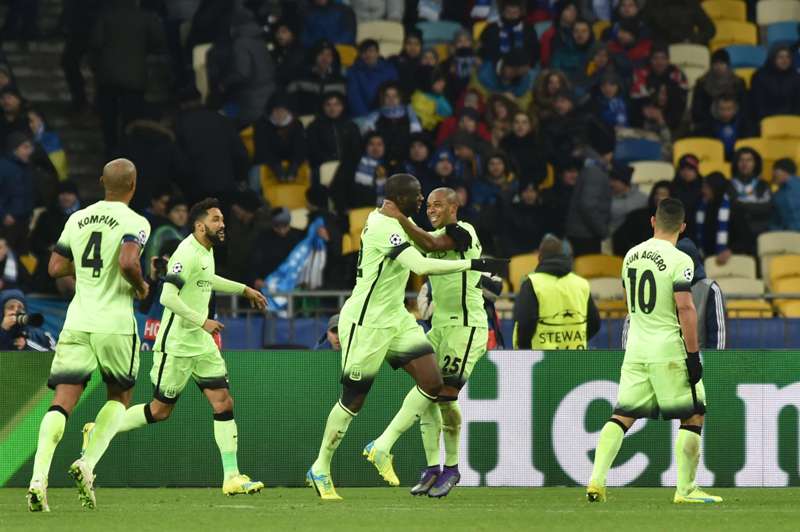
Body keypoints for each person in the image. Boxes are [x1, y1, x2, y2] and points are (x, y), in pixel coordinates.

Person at [306, 173, 508, 500]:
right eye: (417, 198)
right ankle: (321, 466)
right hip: (366, 321)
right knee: (353, 398)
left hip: (397, 318)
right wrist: (473, 264)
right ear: (400, 198)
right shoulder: (384, 227)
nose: (421, 203)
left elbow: (431, 242)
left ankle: (384, 446)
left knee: (432, 381)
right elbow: (421, 264)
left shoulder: (398, 222)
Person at [100, 198, 268, 497]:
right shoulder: (186, 252)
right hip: (176, 345)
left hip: (200, 345)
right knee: (160, 411)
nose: (222, 224)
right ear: (200, 225)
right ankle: (100, 430)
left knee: (223, 402)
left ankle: (231, 476)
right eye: (217, 219)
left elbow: (207, 279)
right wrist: (202, 321)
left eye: (222, 219)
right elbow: (166, 296)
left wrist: (243, 289)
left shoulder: (206, 251)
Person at [26, 159, 151, 512]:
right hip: (114, 322)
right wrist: (141, 286)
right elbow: (128, 262)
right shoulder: (134, 221)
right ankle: (87, 463)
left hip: (78, 318)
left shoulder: (77, 217)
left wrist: (84, 266)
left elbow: (54, 267)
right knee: (119, 396)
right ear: (134, 184)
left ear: (101, 182)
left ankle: (38, 479)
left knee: (62, 400)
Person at [587, 198, 722, 505]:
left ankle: (596, 480)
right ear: (683, 227)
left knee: (622, 414)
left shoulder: (630, 256)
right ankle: (686, 490)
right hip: (668, 348)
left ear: (653, 221)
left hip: (636, 346)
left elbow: (630, 302)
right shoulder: (680, 260)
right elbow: (685, 307)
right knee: (694, 414)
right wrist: (692, 355)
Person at [380, 187, 488, 498]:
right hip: (439, 325)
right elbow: (414, 247)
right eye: (428, 206)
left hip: (466, 327)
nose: (431, 210)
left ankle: (452, 467)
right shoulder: (430, 234)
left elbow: (429, 243)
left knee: (444, 394)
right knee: (428, 390)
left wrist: (398, 215)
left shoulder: (463, 231)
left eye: (437, 205)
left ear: (454, 207)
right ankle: (432, 467)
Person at [90, 0, 166, 156]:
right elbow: (159, 42)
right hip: (134, 77)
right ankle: (128, 151)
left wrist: (96, 67)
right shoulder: (146, 17)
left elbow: (95, 42)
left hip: (108, 75)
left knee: (108, 117)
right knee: (131, 118)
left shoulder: (106, 16)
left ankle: (111, 149)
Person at [513, 234, 600, 349]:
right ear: (564, 256)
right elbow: (594, 323)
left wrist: (526, 348)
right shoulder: (581, 284)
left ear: (540, 258)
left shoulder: (532, 283)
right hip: (576, 360)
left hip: (542, 361)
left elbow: (525, 322)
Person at [173, 88, 249, 205]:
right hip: (225, 185)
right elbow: (240, 153)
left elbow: (179, 163)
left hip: (196, 190)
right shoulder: (222, 120)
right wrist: (240, 178)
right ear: (200, 100)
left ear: (181, 104)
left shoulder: (179, 126)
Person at [675, 238, 726, 349]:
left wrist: (713, 364)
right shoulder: (663, 285)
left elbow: (718, 336)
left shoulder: (710, 289)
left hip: (700, 362)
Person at [253, 92, 309, 185]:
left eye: (282, 110)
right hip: (267, 162)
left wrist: (294, 166)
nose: (279, 114)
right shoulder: (261, 125)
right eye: (276, 110)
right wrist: (276, 166)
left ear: (288, 111)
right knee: (255, 173)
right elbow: (261, 150)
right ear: (270, 111)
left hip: (292, 162)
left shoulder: (296, 124)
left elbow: (300, 148)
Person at [306, 91, 362, 173]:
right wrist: (331, 162)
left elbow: (357, 150)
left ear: (343, 106)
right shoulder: (314, 126)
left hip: (349, 168)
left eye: (337, 104)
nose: (333, 108)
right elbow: (313, 151)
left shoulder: (351, 126)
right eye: (328, 105)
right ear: (322, 107)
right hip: (322, 168)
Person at [287, 40, 346, 117]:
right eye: (321, 54)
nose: (325, 58)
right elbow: (288, 101)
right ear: (314, 56)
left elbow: (343, 107)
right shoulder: (300, 76)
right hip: (304, 119)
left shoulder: (339, 79)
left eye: (329, 55)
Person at [250, 207, 305, 288]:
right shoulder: (263, 238)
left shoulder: (298, 237)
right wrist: (255, 279)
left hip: (293, 284)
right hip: (267, 284)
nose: (282, 231)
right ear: (272, 225)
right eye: (277, 227)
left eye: (285, 226)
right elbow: (254, 261)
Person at [346, 40, 399, 118]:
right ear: (360, 55)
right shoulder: (354, 72)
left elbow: (395, 94)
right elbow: (354, 98)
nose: (368, 54)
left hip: (387, 113)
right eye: (364, 52)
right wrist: (367, 118)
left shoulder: (389, 69)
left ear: (377, 53)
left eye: (371, 51)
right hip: (363, 116)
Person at [478, 0, 540, 66]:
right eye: (508, 13)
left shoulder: (528, 29)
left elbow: (535, 51)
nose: (512, 16)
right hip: (496, 65)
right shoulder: (492, 28)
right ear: (503, 13)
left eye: (515, 13)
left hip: (523, 66)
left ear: (520, 13)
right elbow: (482, 48)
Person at [749, 45, 800, 123]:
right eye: (780, 57)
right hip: (766, 120)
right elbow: (758, 105)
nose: (784, 60)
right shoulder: (759, 77)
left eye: (788, 57)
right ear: (772, 58)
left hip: (792, 120)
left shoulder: (796, 77)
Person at [143, 197, 189, 271]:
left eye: (184, 211)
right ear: (167, 214)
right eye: (177, 211)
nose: (181, 215)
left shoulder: (185, 233)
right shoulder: (164, 232)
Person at [642, 0, 715, 46]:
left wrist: (693, 40)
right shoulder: (653, 3)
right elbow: (643, 25)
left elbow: (710, 29)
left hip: (687, 49)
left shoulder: (691, 3)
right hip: (661, 52)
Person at [770, 158, 800, 231]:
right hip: (789, 236)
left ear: (784, 171)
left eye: (775, 170)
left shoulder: (777, 196)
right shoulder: (776, 195)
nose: (772, 174)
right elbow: (775, 221)